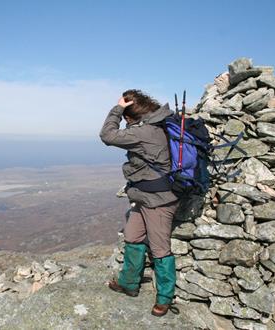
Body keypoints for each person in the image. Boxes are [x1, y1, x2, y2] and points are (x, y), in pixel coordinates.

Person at [99, 89, 179, 317]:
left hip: (159, 201)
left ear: (128, 115)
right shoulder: (157, 124)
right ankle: (129, 284)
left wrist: (118, 108)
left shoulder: (145, 132)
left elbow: (107, 135)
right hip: (142, 197)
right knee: (133, 236)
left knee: (160, 248)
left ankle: (164, 298)